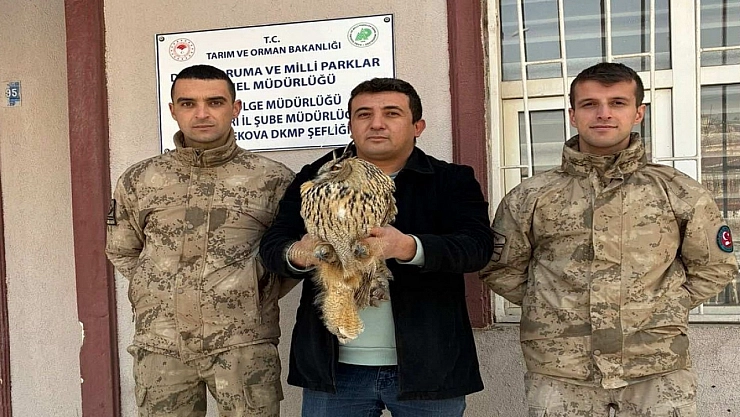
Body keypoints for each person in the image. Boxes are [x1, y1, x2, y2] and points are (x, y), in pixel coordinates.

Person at [480, 62, 739, 417]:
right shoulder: (531, 196)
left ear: (638, 113)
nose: (603, 113)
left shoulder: (678, 191)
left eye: (617, 103)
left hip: (655, 366)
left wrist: (665, 306)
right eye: (590, 104)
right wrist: (552, 307)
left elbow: (715, 266)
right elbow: (502, 269)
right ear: (573, 115)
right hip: (562, 370)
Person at [259, 77, 494, 417]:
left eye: (392, 113)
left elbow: (477, 247)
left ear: (417, 126)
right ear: (351, 125)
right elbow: (273, 245)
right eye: (364, 114)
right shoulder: (314, 177)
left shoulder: (450, 180)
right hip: (334, 369)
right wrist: (298, 253)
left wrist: (408, 247)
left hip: (429, 365)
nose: (377, 123)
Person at [106, 64, 294, 417]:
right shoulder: (141, 179)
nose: (202, 113)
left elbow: (290, 256)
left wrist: (253, 288)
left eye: (215, 102)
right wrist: (161, 289)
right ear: (173, 110)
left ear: (235, 108)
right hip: (161, 345)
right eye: (188, 103)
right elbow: (123, 249)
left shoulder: (273, 179)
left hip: (243, 345)